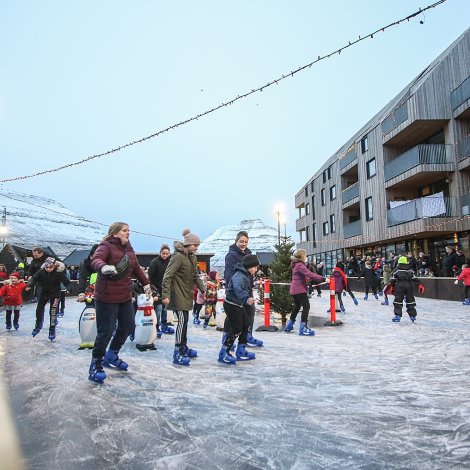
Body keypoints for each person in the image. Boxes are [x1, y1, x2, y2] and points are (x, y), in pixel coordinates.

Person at [88, 222, 152, 384]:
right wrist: (103, 267)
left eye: (129, 230)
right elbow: (95, 259)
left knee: (128, 326)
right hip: (106, 296)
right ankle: (96, 364)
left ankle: (112, 354)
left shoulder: (129, 249)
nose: (128, 233)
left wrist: (146, 284)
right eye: (125, 230)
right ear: (115, 233)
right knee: (106, 331)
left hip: (124, 295)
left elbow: (136, 268)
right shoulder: (106, 245)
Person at [161, 229, 206, 366]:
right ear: (188, 244)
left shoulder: (192, 257)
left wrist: (203, 289)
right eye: (195, 246)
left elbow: (195, 275)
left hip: (186, 293)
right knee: (181, 321)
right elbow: (167, 276)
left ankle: (183, 346)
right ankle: (178, 351)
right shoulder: (177, 257)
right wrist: (165, 294)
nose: (197, 248)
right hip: (177, 294)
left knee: (185, 321)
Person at [218, 254, 261, 364]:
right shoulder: (240, 276)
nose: (256, 270)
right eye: (255, 267)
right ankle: (224, 352)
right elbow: (238, 289)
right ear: (249, 266)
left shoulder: (245, 274)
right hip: (232, 305)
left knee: (246, 324)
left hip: (238, 304)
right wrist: (246, 299)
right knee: (236, 328)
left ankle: (241, 350)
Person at [224, 231, 263, 347]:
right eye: (241, 241)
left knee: (250, 311)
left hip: (247, 288)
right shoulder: (232, 255)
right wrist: (232, 289)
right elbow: (229, 273)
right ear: (236, 241)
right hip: (236, 290)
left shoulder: (249, 254)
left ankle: (247, 336)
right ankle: (227, 337)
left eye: (246, 242)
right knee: (234, 315)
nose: (243, 244)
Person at [27, 257, 70, 340]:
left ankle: (52, 329)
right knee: (39, 309)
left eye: (51, 267)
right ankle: (38, 324)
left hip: (55, 294)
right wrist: (29, 285)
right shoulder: (41, 272)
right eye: (47, 267)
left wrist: (68, 288)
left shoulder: (58, 273)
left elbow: (66, 281)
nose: (48, 269)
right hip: (44, 293)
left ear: (54, 266)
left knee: (53, 311)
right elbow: (34, 278)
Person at [285, 249, 325, 336]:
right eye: (305, 256)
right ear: (302, 256)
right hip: (299, 289)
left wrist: (307, 279)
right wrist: (323, 278)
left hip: (295, 289)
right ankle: (303, 327)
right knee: (306, 306)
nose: (306, 258)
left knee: (297, 306)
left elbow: (301, 276)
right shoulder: (300, 265)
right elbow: (310, 274)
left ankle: (290, 324)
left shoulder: (296, 265)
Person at [148, 244, 174, 334]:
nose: (165, 255)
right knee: (158, 309)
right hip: (156, 288)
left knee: (165, 308)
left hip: (166, 288)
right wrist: (151, 289)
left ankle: (164, 325)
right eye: (163, 253)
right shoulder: (155, 262)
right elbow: (150, 276)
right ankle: (156, 326)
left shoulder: (170, 262)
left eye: (167, 254)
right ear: (160, 253)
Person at [390, 256, 424, 323]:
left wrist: (392, 286)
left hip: (399, 286)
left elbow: (393, 280)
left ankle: (398, 316)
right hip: (409, 286)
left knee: (398, 301)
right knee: (410, 300)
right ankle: (412, 316)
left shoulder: (396, 270)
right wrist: (420, 284)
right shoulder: (410, 270)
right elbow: (414, 278)